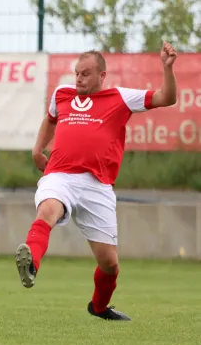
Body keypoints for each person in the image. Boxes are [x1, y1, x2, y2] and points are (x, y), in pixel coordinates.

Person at [15, 42, 178, 321]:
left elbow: (166, 98)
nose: (78, 78)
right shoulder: (62, 94)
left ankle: (99, 307)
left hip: (97, 186)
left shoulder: (121, 97)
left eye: (86, 74)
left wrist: (167, 67)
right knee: (48, 210)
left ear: (102, 76)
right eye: (77, 73)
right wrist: (36, 149)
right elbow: (50, 119)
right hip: (60, 175)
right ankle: (31, 264)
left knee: (110, 264)